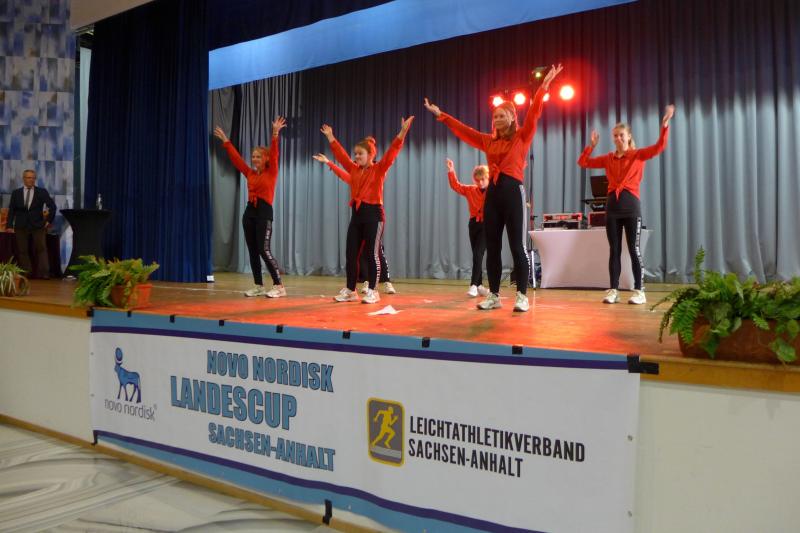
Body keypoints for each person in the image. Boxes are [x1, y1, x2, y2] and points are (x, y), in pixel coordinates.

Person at [424, 64, 562, 312]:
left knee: (517, 246)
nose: (497, 119)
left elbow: (534, 113)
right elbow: (464, 131)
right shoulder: (488, 141)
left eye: (502, 116)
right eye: (495, 116)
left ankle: (521, 296)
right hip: (493, 196)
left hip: (513, 192)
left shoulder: (522, 136)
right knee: (494, 248)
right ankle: (494, 295)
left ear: (512, 117)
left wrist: (544, 87)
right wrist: (441, 115)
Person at [577, 105, 675, 304]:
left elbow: (659, 147)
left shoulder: (638, 155)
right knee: (614, 250)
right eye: (615, 136)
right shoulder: (608, 158)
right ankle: (613, 290)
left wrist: (665, 125)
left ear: (629, 137)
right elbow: (583, 162)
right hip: (612, 207)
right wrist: (591, 146)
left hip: (631, 207)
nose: (618, 139)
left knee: (633, 249)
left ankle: (639, 291)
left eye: (621, 135)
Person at [318, 116, 414, 304]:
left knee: (372, 253)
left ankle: (373, 291)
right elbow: (341, 156)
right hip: (357, 215)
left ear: (370, 155)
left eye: (360, 154)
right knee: (351, 253)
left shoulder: (379, 169)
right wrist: (331, 137)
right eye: (355, 154)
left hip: (374, 215)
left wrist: (402, 132)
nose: (356, 157)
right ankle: (350, 290)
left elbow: (393, 151)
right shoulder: (354, 169)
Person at [213, 117, 287, 298]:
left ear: (265, 158)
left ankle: (279, 286)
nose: (254, 159)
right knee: (253, 251)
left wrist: (275, 134)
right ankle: (258, 285)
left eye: (258, 156)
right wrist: (226, 142)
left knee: (264, 250)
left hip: (264, 213)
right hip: (250, 213)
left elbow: (275, 153)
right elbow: (237, 160)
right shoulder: (250, 173)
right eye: (253, 156)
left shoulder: (272, 171)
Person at [445, 159, 490, 297]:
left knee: (478, 254)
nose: (480, 182)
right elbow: (456, 186)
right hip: (473, 225)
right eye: (477, 180)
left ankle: (473, 285)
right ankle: (480, 286)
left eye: (483, 179)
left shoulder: (493, 191)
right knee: (476, 256)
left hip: (486, 225)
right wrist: (451, 171)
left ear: (488, 178)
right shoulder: (471, 190)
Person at [7, 169, 56, 278]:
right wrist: (9, 225)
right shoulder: (16, 193)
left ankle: (44, 273)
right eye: (28, 178)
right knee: (22, 251)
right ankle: (26, 273)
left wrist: (48, 221)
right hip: (21, 225)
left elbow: (52, 207)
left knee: (41, 249)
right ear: (24, 179)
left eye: (33, 178)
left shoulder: (42, 192)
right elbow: (11, 210)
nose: (31, 180)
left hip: (38, 225)